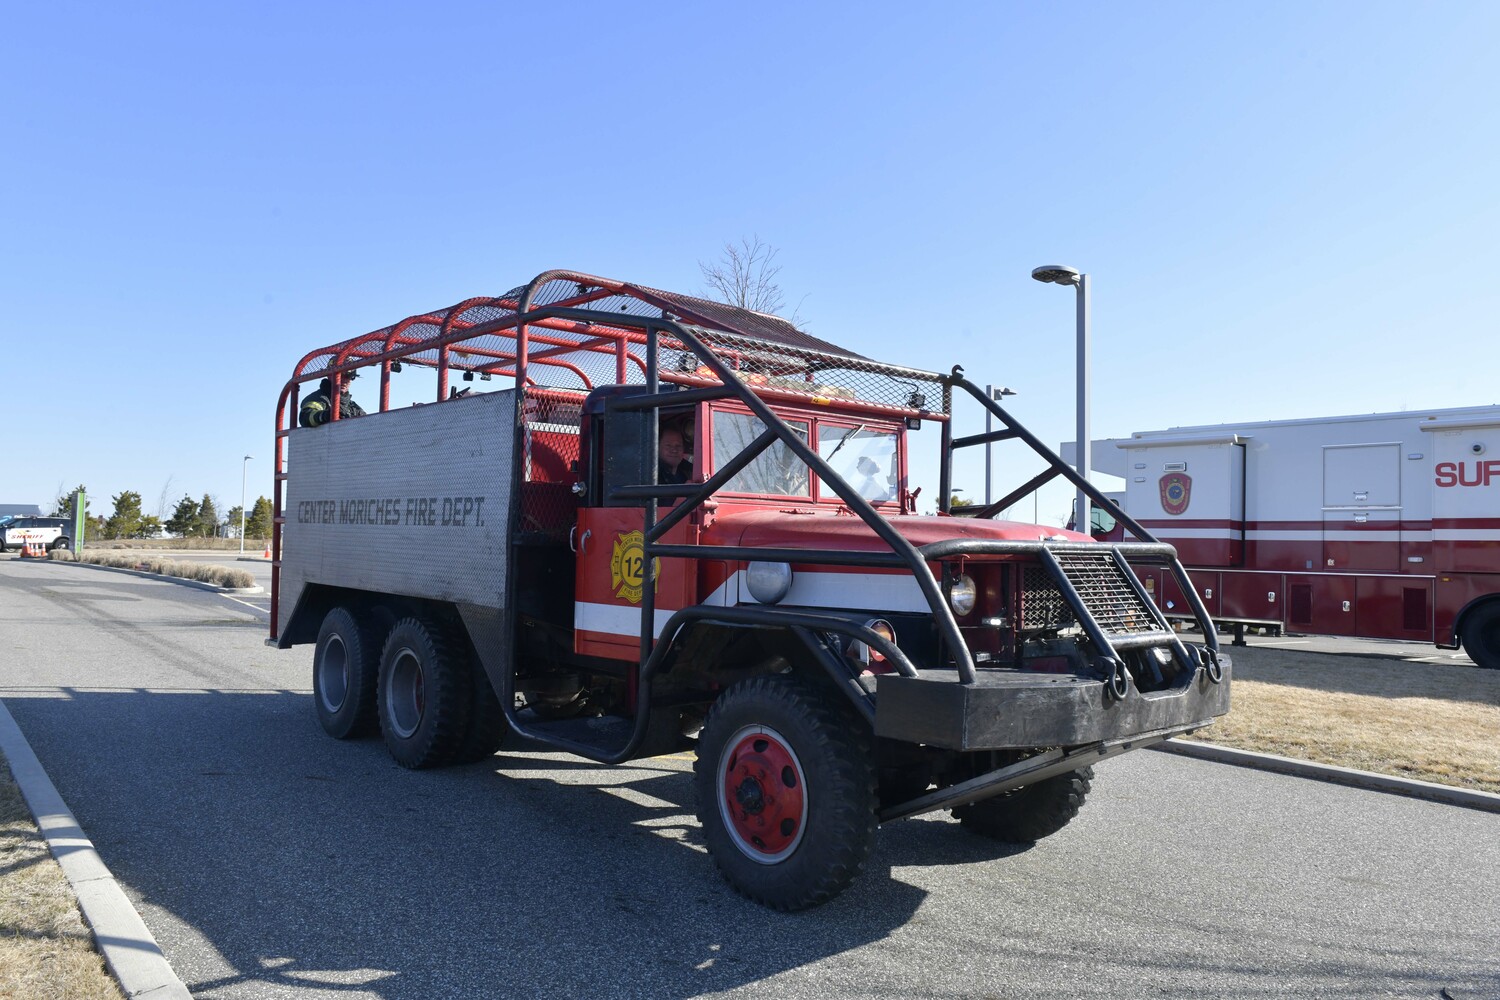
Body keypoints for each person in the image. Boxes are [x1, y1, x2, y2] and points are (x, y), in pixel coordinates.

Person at [300, 371, 367, 427]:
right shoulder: (318, 398)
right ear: (329, 376)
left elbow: (368, 423)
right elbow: (305, 417)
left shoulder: (352, 406)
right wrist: (326, 415)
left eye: (349, 376)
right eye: (341, 375)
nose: (345, 380)